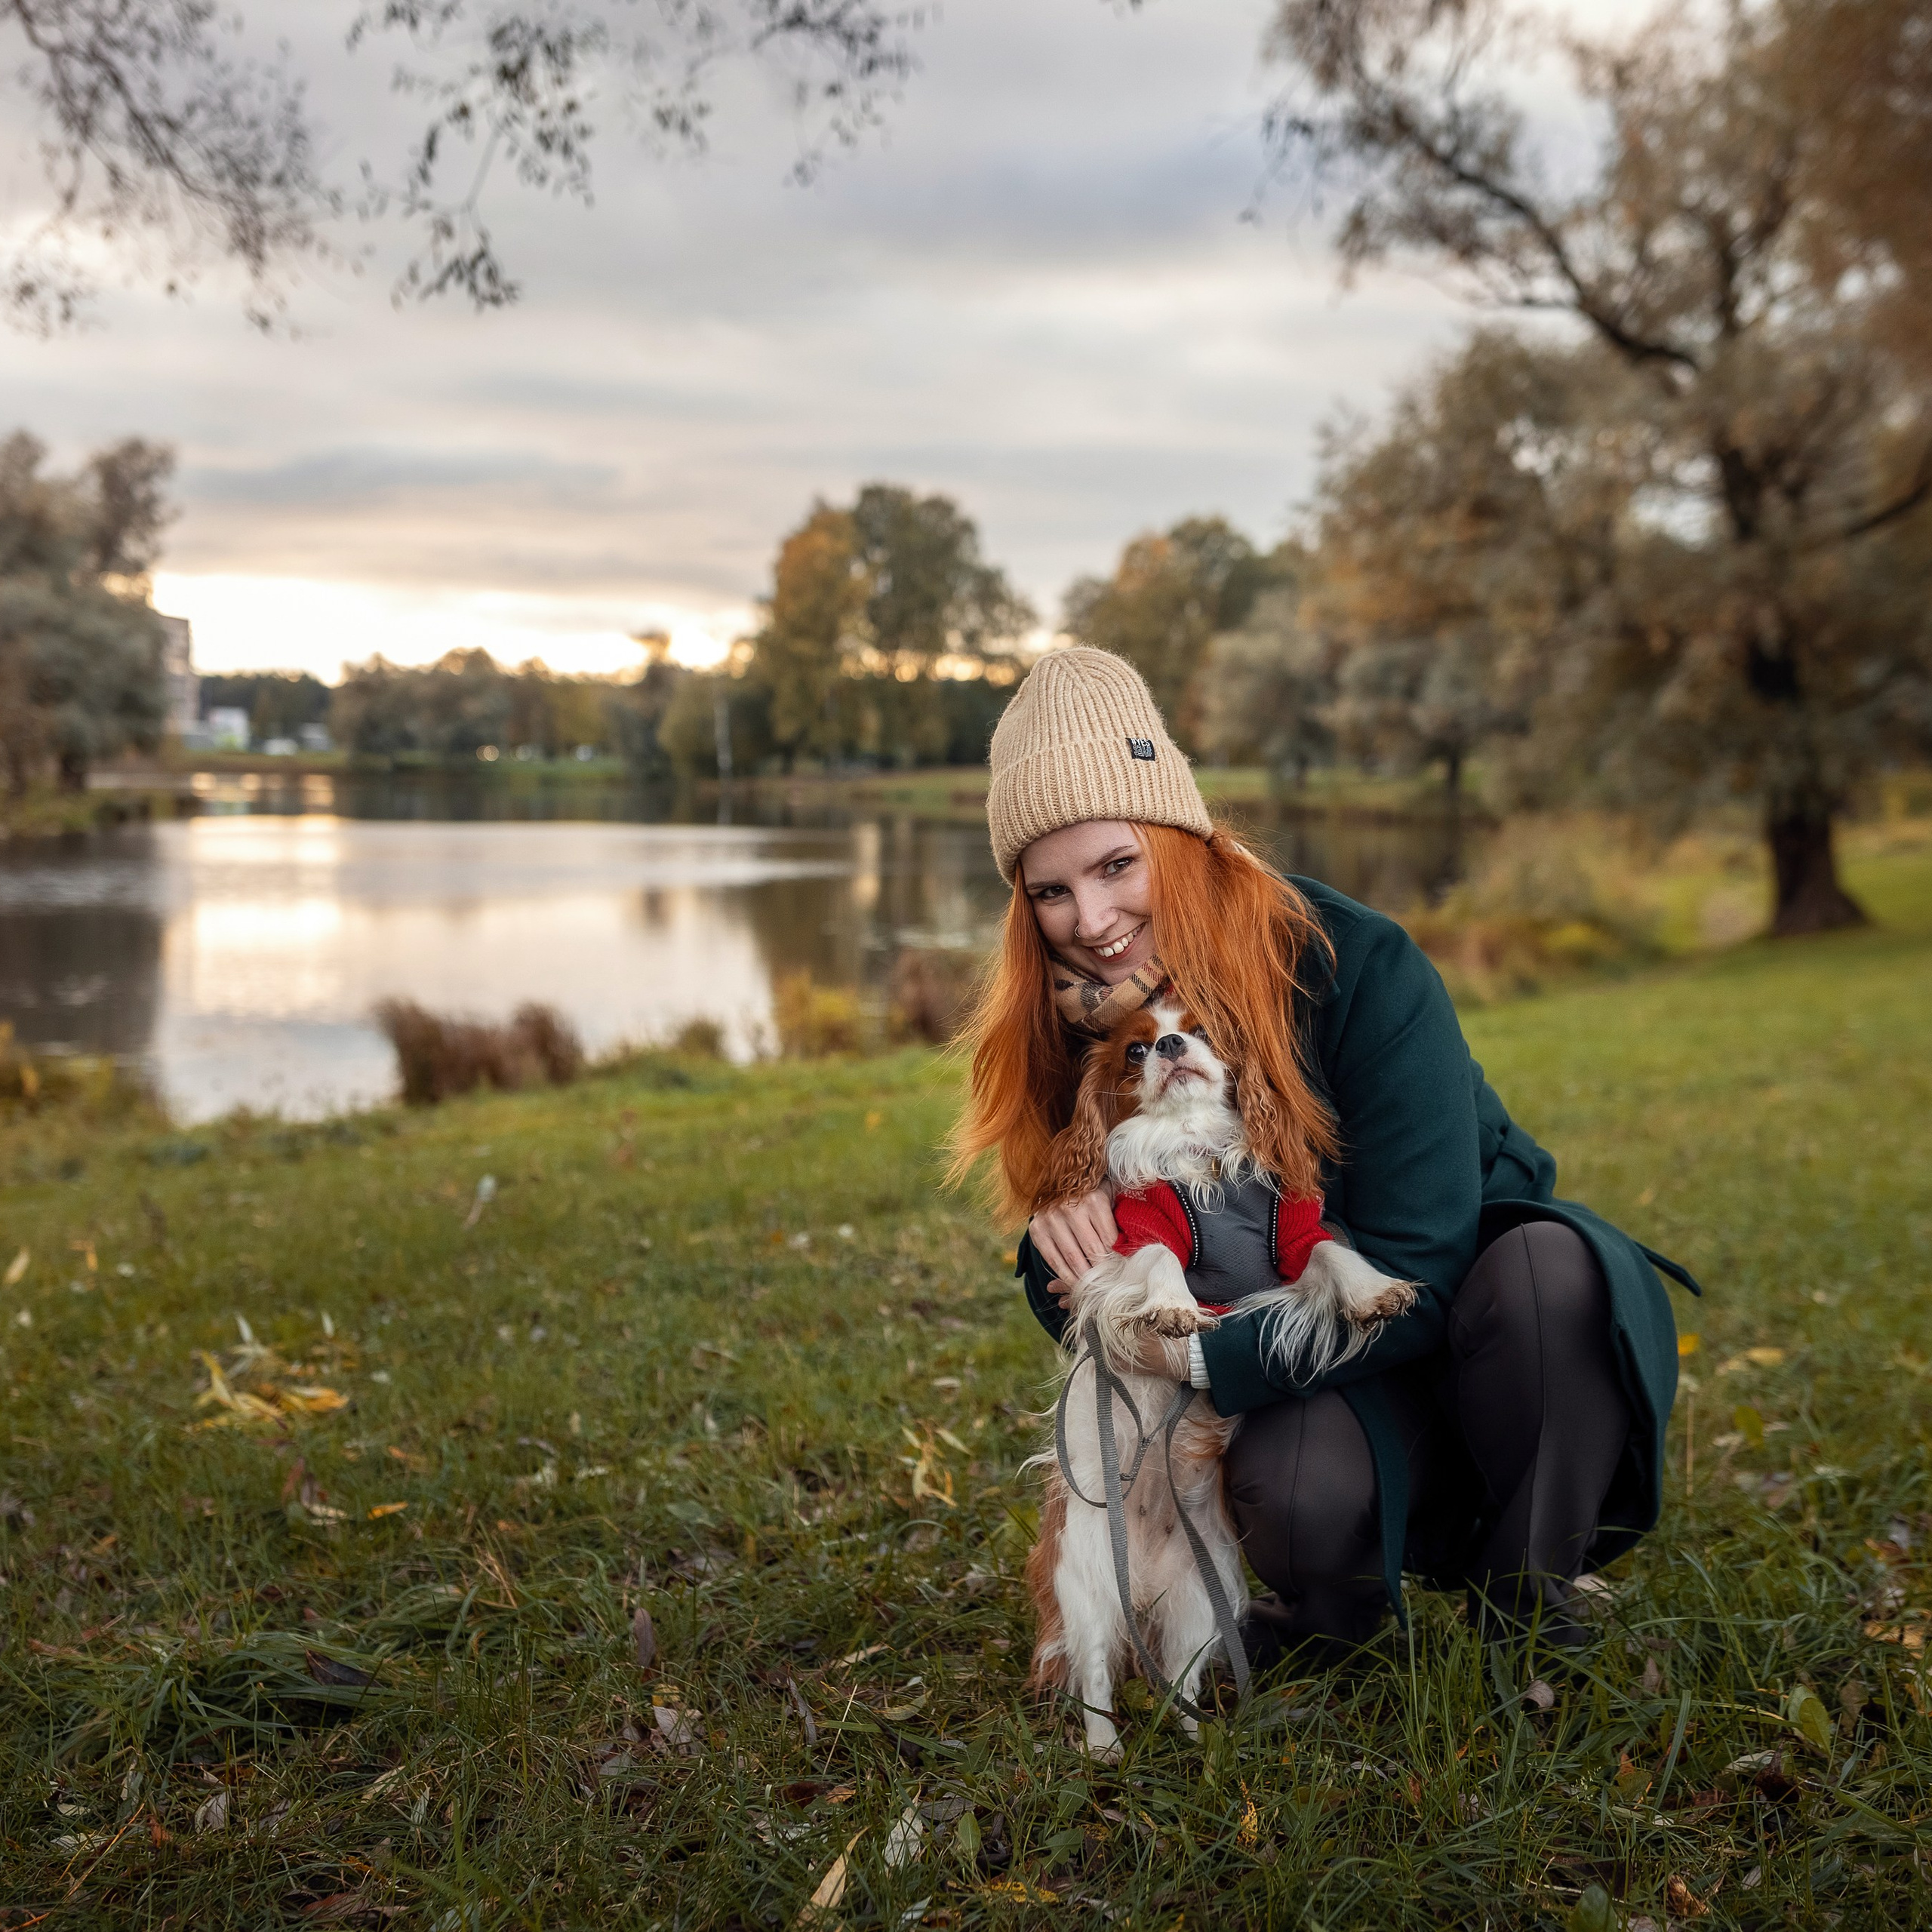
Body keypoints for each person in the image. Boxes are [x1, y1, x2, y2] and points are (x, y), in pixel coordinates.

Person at [951, 647, 1697, 1657]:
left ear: (1179, 838)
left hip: (1479, 1335)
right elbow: (1095, 1303)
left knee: (1547, 1271)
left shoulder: (1354, 959)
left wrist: (1206, 1355)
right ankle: (1332, 1622)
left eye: (1118, 865)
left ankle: (1530, 1599)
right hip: (1318, 1366)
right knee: (1296, 1487)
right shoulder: (1077, 1019)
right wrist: (1069, 1240)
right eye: (1051, 890)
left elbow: (1425, 1263)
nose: (1091, 922)